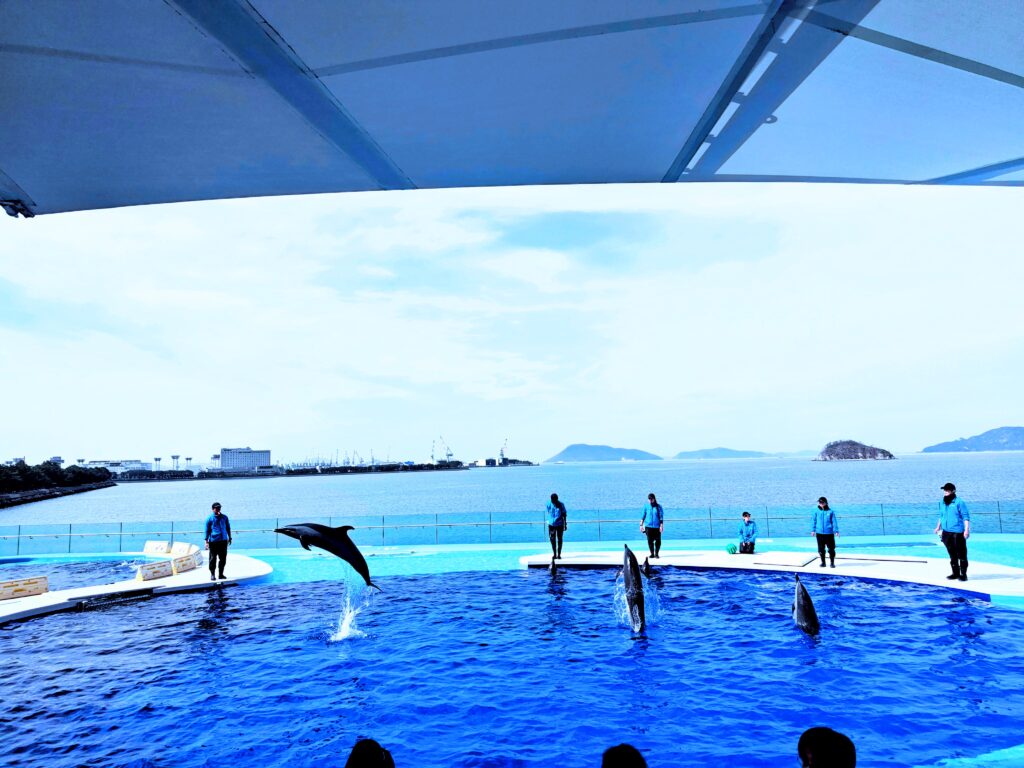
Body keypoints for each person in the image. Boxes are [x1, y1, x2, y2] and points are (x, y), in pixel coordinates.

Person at [935, 482, 970, 581]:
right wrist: (938, 527)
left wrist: (966, 530)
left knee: (961, 554)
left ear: (953, 491)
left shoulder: (959, 502)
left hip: (957, 532)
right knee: (952, 554)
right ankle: (955, 573)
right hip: (946, 532)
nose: (945, 492)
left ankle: (963, 574)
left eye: (947, 490)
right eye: (944, 490)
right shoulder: (942, 502)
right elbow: (941, 516)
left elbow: (966, 517)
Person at [204, 501, 232, 581]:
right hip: (213, 541)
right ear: (213, 509)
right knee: (213, 558)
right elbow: (207, 530)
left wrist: (230, 537)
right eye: (216, 508)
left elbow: (228, 528)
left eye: (219, 508)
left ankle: (221, 574)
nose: (218, 509)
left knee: (223, 559)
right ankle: (212, 574)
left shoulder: (224, 517)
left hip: (223, 541)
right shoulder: (209, 518)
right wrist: (206, 541)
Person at [811, 497, 840, 568]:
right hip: (819, 533)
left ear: (826, 503)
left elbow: (834, 522)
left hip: (829, 533)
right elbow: (813, 521)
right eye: (819, 502)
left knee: (831, 549)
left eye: (822, 502)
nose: (820, 503)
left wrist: (836, 531)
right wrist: (813, 530)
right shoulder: (816, 511)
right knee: (821, 549)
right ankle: (823, 562)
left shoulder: (831, 511)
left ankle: (832, 563)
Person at [640, 493, 664, 558]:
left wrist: (661, 526)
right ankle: (652, 554)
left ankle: (656, 554)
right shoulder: (646, 506)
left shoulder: (659, 507)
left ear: (654, 499)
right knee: (650, 541)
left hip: (657, 527)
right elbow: (643, 516)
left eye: (651, 499)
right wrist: (641, 525)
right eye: (649, 499)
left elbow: (661, 517)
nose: (650, 500)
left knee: (658, 541)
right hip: (648, 527)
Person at [546, 492, 567, 559]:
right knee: (552, 539)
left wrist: (565, 524)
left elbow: (564, 514)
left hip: (560, 524)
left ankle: (559, 554)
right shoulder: (548, 504)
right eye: (553, 501)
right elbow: (548, 511)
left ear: (557, 499)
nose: (554, 502)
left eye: (555, 500)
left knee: (560, 539)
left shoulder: (561, 504)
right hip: (551, 524)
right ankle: (554, 554)